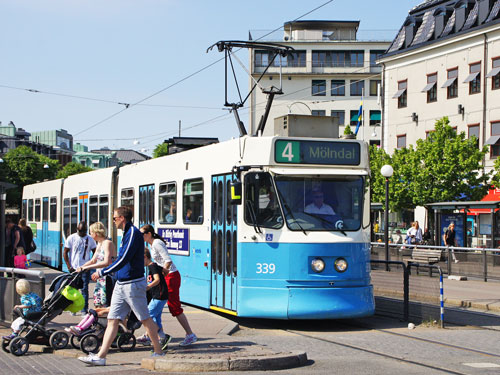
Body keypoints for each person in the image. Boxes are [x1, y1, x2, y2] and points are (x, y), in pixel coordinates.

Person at [78, 206, 164, 366]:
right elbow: (120, 259)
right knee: (112, 319)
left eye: (114, 218)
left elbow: (123, 259)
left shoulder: (133, 233)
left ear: (122, 218)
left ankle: (159, 351)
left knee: (145, 318)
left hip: (132, 284)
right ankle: (101, 356)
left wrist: (103, 272)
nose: (113, 220)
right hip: (122, 284)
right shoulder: (126, 234)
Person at [140, 224, 197, 347]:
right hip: (167, 277)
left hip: (171, 277)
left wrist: (162, 273)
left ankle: (190, 334)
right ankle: (150, 334)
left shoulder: (156, 243)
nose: (140, 236)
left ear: (148, 234)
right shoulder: (151, 244)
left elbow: (167, 260)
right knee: (157, 308)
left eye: (142, 234)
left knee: (174, 307)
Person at [76, 222, 116, 309]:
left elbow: (107, 262)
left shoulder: (107, 243)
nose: (90, 235)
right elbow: (93, 260)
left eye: (91, 232)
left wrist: (86, 268)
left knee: (106, 305)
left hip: (107, 278)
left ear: (96, 233)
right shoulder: (99, 243)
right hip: (100, 278)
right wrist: (81, 267)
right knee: (98, 304)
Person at [138, 248, 170, 348]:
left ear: (145, 257)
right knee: (156, 318)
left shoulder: (152, 267)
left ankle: (156, 337)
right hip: (160, 295)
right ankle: (163, 338)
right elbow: (166, 271)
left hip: (159, 296)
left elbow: (157, 280)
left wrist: (147, 287)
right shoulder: (154, 266)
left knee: (148, 316)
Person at [63, 221, 96, 314]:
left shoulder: (90, 239)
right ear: (77, 229)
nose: (81, 233)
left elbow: (95, 252)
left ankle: (84, 310)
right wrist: (69, 266)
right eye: (79, 230)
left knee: (84, 289)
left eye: (83, 231)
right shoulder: (71, 238)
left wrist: (90, 265)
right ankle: (73, 309)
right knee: (73, 290)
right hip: (74, 268)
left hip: (85, 268)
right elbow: (65, 252)